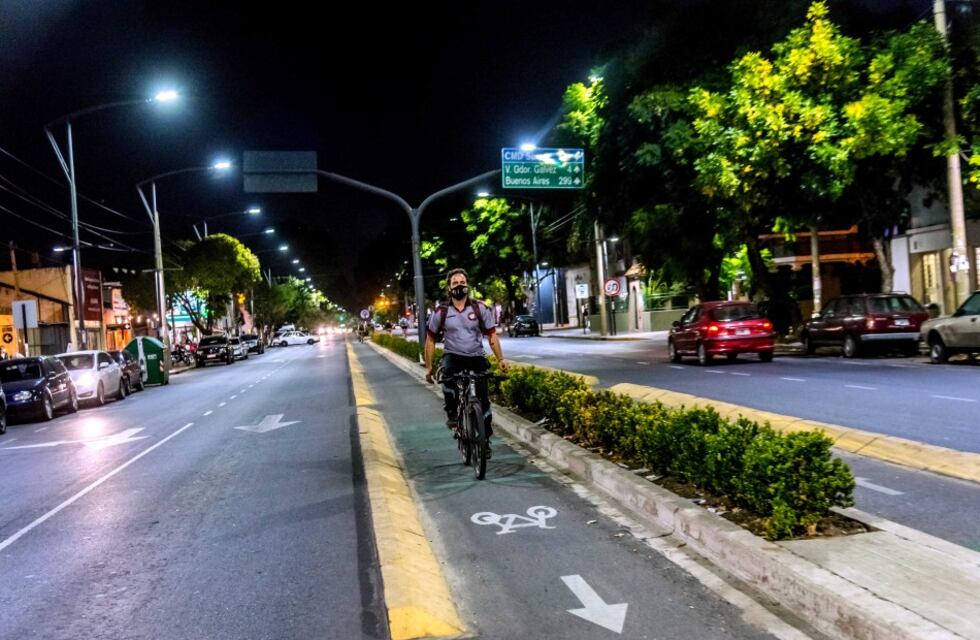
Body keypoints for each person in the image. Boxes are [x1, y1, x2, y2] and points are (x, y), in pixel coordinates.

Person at [424, 268, 508, 457]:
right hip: (453, 356)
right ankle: (453, 414)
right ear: (449, 288)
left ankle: (484, 439)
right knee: (447, 379)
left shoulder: (480, 308)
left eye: (462, 282)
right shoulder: (442, 312)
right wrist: (429, 368)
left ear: (467, 285)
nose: (459, 285)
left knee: (484, 401)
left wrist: (500, 359)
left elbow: (492, 336)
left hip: (476, 356)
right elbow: (430, 340)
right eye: (455, 283)